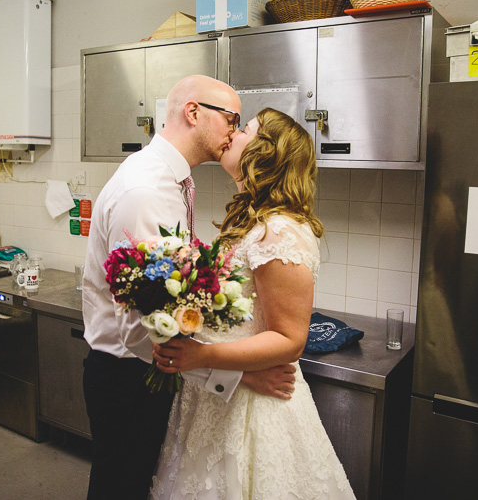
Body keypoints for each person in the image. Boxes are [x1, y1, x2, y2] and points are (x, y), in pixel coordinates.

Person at [81, 76, 298, 500]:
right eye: (231, 120)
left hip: (146, 370)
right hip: (130, 376)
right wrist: (235, 375)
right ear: (194, 112)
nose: (235, 133)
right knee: (119, 487)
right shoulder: (147, 190)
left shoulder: (169, 178)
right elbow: (142, 329)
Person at [150, 108, 355, 499]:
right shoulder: (252, 222)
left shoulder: (278, 231)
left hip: (253, 415)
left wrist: (200, 356)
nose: (232, 133)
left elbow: (289, 339)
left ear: (266, 152)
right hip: (220, 398)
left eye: (244, 129)